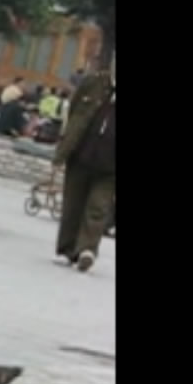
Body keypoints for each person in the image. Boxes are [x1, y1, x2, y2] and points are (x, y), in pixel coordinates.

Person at [52, 65, 114, 272]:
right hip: (81, 155)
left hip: (110, 167)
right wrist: (63, 150)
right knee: (73, 204)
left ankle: (87, 250)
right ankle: (67, 249)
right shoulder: (93, 83)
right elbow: (73, 113)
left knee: (98, 207)